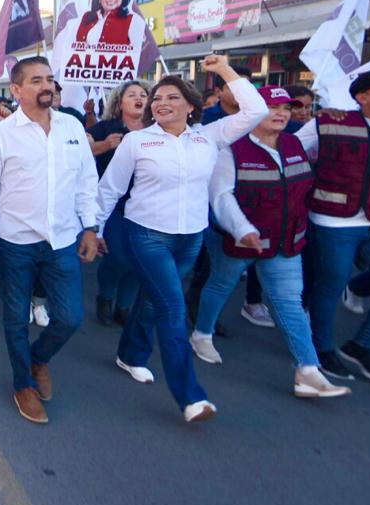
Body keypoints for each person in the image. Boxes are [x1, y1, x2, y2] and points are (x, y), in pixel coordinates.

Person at [96, 55, 267, 422]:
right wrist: (94, 231)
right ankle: (191, 396)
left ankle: (130, 354)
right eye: (157, 97)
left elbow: (256, 109)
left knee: (152, 300)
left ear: (190, 106)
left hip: (191, 238)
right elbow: (108, 190)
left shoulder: (209, 137)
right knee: (172, 311)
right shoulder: (136, 142)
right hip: (146, 237)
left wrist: (223, 70)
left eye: (172, 97)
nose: (161, 103)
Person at [191, 87, 348, 398]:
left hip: (286, 241)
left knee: (290, 303)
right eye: (272, 107)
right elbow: (221, 196)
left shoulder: (295, 141)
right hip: (239, 241)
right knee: (221, 285)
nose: (281, 113)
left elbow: (327, 135)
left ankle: (308, 370)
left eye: (286, 108)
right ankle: (201, 333)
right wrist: (243, 229)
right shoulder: (230, 148)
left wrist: (334, 113)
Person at [0, 56, 100, 425]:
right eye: (37, 80)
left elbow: (86, 182)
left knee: (71, 316)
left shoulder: (72, 127)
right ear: (16, 90)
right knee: (15, 318)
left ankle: (38, 357)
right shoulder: (1, 134)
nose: (47, 86)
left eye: (50, 79)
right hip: (15, 241)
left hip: (62, 239)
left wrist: (90, 227)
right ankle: (23, 383)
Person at [299, 66, 370, 383]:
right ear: (362, 96)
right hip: (332, 221)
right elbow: (292, 153)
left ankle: (360, 346)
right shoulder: (328, 122)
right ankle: (321, 348)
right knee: (329, 286)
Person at [191, 64, 271, 330]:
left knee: (223, 266)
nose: (240, 91)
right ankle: (195, 310)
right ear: (218, 91)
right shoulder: (205, 119)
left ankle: (204, 314)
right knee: (207, 260)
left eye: (246, 86)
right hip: (207, 198)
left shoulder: (261, 118)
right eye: (233, 84)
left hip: (250, 198)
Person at [87, 81, 149, 327]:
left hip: (146, 205)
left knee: (140, 259)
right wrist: (104, 146)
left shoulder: (158, 130)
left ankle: (124, 305)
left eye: (143, 94)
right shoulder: (106, 128)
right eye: (132, 94)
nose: (138, 98)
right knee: (118, 256)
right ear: (119, 101)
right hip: (114, 204)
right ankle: (106, 296)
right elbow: (82, 151)